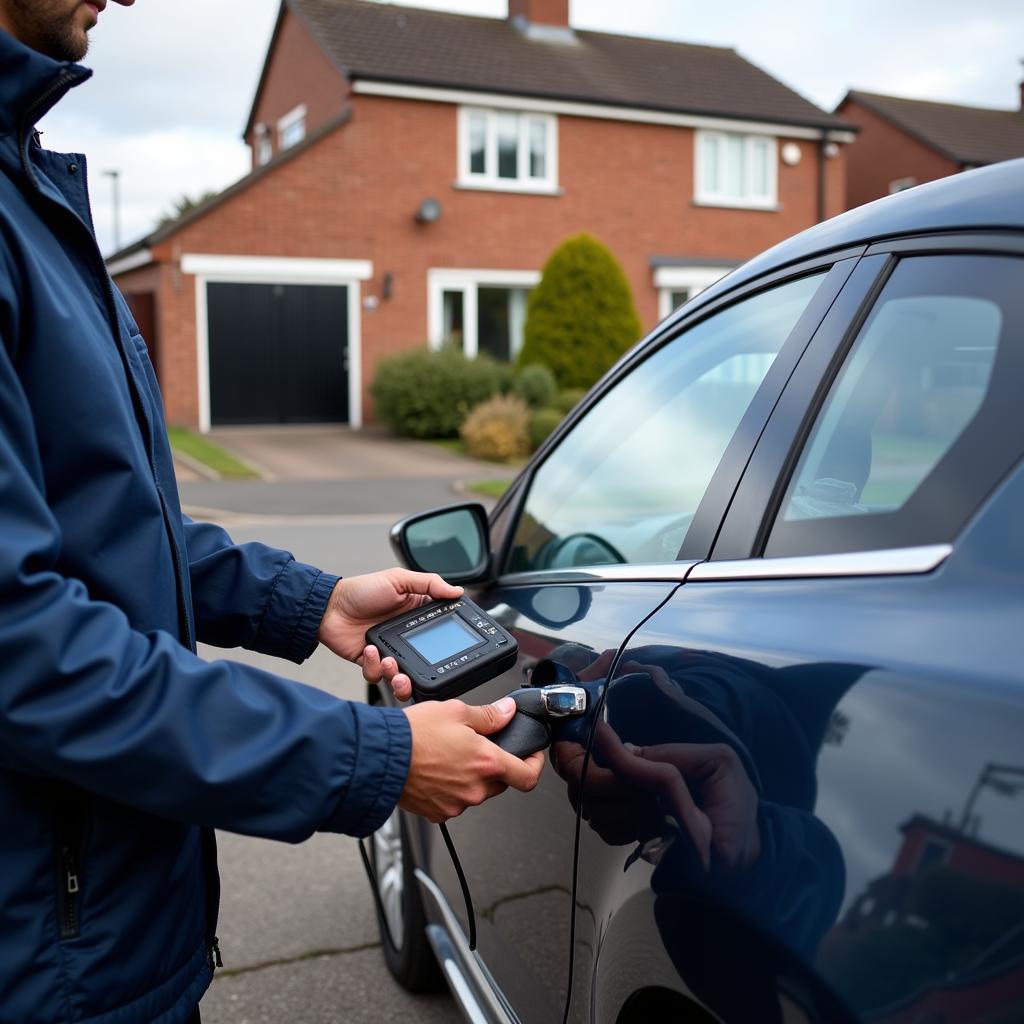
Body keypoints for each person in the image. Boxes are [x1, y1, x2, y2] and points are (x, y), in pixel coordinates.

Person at [0, 3, 544, 1023]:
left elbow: (110, 528)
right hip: (42, 956)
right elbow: (22, 645)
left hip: (99, 928)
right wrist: (372, 758)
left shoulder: (30, 193)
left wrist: (313, 601)